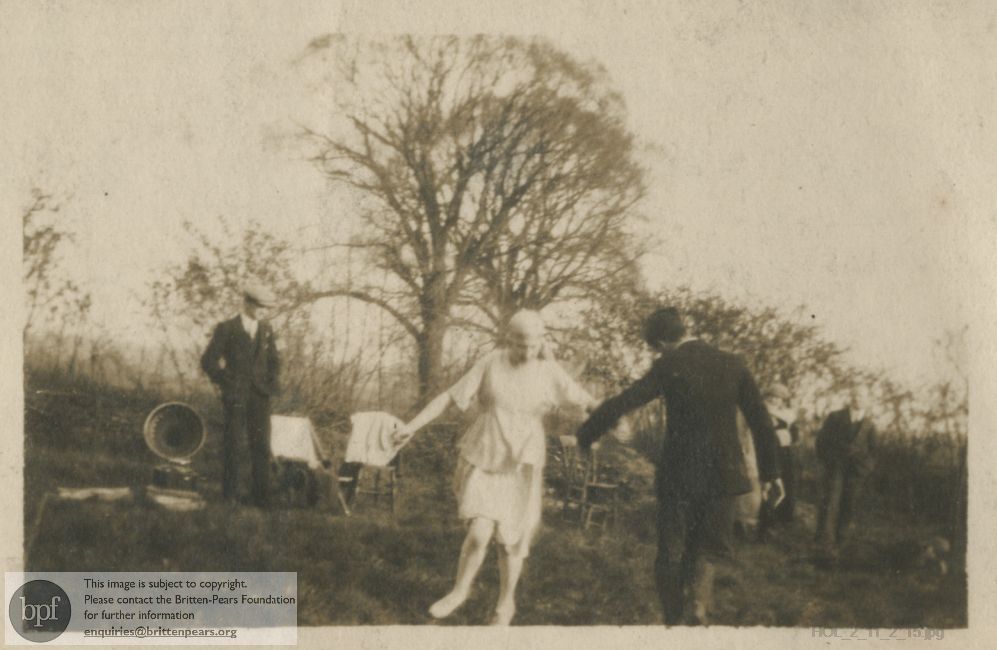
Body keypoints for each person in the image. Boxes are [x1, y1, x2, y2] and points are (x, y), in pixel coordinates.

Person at [575, 307, 783, 625]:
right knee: (708, 548)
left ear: (660, 342)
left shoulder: (669, 364)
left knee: (671, 549)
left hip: (680, 474)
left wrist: (586, 434)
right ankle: (697, 608)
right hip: (723, 475)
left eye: (654, 348)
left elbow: (625, 401)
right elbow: (762, 423)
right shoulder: (734, 364)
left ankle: (674, 620)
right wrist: (772, 475)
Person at [392, 310, 596, 625]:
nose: (525, 352)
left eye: (532, 345)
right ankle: (460, 591)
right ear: (508, 339)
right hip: (486, 452)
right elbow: (449, 397)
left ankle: (505, 603)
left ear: (541, 341)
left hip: (522, 463)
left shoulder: (549, 371)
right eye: (519, 345)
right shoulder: (491, 362)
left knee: (511, 540)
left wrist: (614, 418)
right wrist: (411, 426)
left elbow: (587, 402)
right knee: (479, 531)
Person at [201, 281, 281, 507]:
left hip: (260, 397)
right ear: (246, 303)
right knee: (233, 445)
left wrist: (271, 382)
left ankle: (261, 498)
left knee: (262, 446)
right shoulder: (227, 328)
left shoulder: (266, 330)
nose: (263, 312)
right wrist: (227, 381)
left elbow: (274, 361)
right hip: (235, 396)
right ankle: (230, 497)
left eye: (266, 308)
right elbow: (208, 361)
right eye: (258, 306)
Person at [813, 395, 876, 559]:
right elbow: (821, 440)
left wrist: (865, 467)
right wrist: (828, 460)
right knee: (830, 502)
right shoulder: (835, 417)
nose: (858, 400)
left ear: (867, 401)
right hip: (836, 467)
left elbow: (873, 450)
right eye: (856, 396)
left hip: (855, 471)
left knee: (849, 503)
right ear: (851, 398)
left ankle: (842, 541)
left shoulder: (869, 424)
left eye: (862, 397)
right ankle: (824, 540)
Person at [756, 384, 800, 540]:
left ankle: (780, 520)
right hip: (769, 451)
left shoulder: (788, 414)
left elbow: (795, 434)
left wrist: (790, 437)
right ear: (766, 397)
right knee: (770, 485)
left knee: (788, 484)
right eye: (772, 397)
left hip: (786, 453)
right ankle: (765, 523)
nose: (775, 401)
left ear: (783, 400)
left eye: (779, 398)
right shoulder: (762, 412)